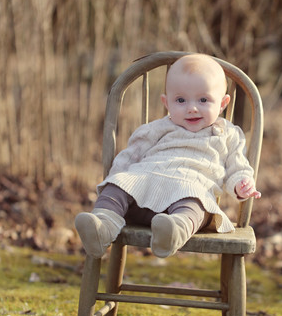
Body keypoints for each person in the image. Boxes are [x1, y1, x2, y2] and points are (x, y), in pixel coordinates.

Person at [75, 53, 261, 259]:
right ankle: (102, 226)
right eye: (180, 100)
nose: (192, 108)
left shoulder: (228, 134)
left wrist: (241, 184)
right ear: (166, 102)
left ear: (223, 103)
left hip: (189, 192)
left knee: (196, 203)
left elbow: (238, 167)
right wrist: (118, 180)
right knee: (117, 186)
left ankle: (173, 232)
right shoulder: (157, 128)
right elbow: (130, 156)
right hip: (142, 194)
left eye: (203, 99)